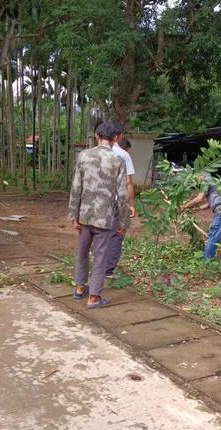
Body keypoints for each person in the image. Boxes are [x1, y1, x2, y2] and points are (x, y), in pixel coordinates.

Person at [69, 122, 130, 309]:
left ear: (97, 136)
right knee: (101, 256)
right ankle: (94, 297)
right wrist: (123, 221)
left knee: (82, 252)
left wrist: (73, 214)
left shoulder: (84, 156)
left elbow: (76, 187)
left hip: (85, 214)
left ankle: (80, 288)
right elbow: (122, 194)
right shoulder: (118, 160)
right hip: (105, 217)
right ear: (116, 138)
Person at [181, 162, 221, 259]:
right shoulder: (215, 181)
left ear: (200, 175)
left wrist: (184, 207)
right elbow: (209, 203)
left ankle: (206, 263)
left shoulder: (206, 180)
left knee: (213, 238)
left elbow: (199, 199)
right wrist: (197, 209)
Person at [105, 124, 135, 278]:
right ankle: (108, 270)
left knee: (100, 234)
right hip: (116, 202)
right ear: (117, 136)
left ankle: (98, 267)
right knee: (117, 234)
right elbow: (128, 183)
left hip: (98, 203)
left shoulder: (92, 154)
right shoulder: (123, 155)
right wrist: (131, 205)